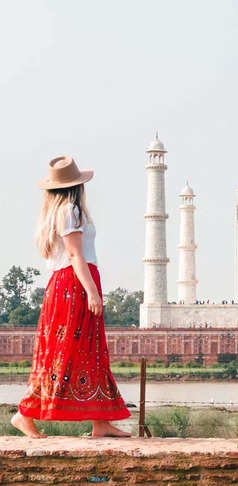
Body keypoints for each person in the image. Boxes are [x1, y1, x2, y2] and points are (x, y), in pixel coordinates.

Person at [11, 156, 131, 438]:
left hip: (74, 281)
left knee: (91, 352)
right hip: (74, 284)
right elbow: (76, 255)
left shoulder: (62, 211)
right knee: (63, 352)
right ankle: (24, 414)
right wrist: (91, 292)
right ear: (76, 186)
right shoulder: (70, 210)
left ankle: (101, 421)